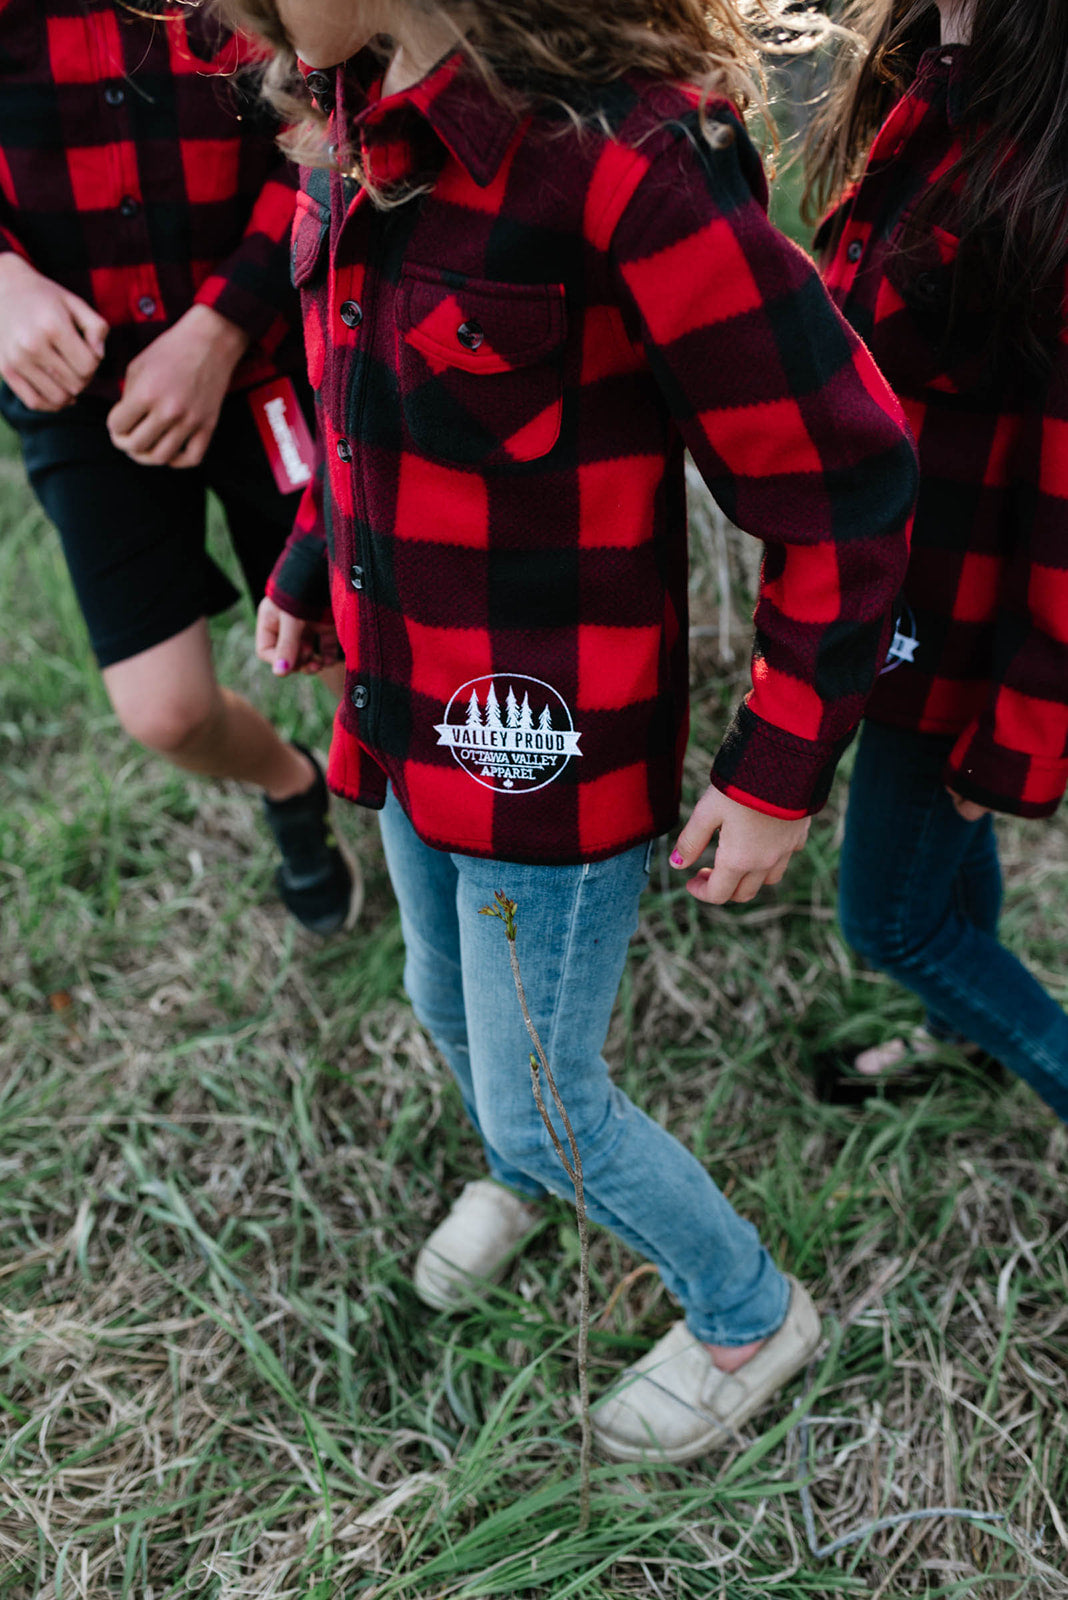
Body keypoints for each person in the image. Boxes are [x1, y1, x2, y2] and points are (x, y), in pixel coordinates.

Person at [223, 0, 917, 1462]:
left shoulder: (633, 159)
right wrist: (305, 563)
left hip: (550, 739)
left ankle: (745, 1312)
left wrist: (781, 763)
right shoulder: (343, 100)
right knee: (439, 994)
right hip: (402, 692)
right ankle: (521, 1175)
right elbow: (360, 388)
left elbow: (840, 478)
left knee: (547, 1094)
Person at [0, 0, 355, 934]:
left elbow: (325, 129)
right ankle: (292, 782)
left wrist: (220, 326)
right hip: (83, 399)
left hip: (264, 352)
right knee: (167, 712)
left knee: (350, 640)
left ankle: (423, 844)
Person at [806, 0, 1068, 1118]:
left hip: (960, 637)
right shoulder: (932, 77)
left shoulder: (1042, 163)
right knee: (937, 865)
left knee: (893, 917)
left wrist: (1013, 738)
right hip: (896, 596)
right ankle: (964, 1040)